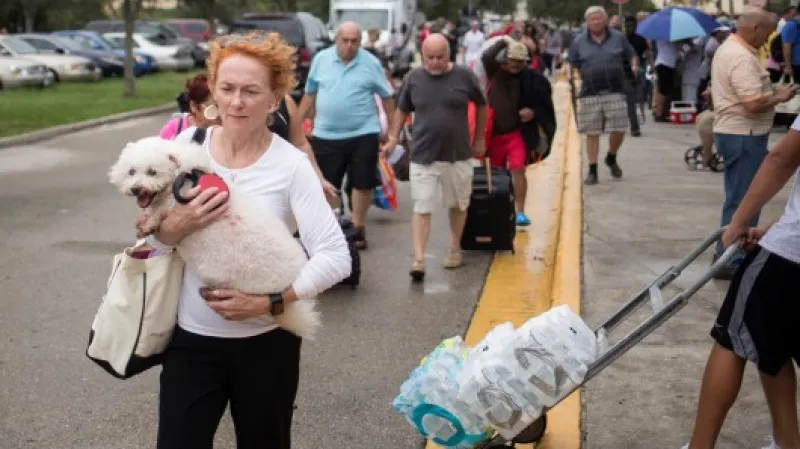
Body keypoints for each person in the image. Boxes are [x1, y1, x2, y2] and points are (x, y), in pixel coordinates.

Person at [143, 31, 352, 449]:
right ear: (213, 92)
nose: (237, 102)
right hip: (190, 343)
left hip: (266, 344)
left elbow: (335, 256)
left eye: (251, 91)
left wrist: (270, 301)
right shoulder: (187, 148)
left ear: (274, 99)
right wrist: (171, 229)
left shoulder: (291, 166)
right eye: (228, 89)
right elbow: (153, 243)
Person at [679, 115, 800, 449]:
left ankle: (700, 446)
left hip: (791, 257)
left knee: (732, 340)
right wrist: (775, 227)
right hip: (790, 242)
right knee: (771, 342)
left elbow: (780, 159)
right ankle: (788, 442)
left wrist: (739, 220)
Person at [382, 33, 487, 280]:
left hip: (458, 154)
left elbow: (482, 104)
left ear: (449, 55)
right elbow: (402, 109)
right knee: (422, 206)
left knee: (458, 204)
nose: (434, 62)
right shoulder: (414, 78)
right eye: (429, 57)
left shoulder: (464, 76)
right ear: (423, 55)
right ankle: (419, 258)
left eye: (440, 57)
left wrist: (480, 136)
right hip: (423, 154)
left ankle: (453, 246)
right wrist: (393, 137)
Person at [709, 6, 794, 279]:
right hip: (743, 134)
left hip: (737, 133)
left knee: (738, 196)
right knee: (745, 199)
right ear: (755, 28)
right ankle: (730, 259)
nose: (767, 39)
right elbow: (752, 103)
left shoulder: (732, 49)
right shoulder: (740, 57)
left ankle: (726, 253)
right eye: (767, 33)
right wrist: (779, 97)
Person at [298, 21, 395, 250]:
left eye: (354, 41)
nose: (349, 46)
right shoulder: (321, 59)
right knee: (328, 183)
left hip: (364, 131)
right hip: (326, 134)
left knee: (363, 181)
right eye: (345, 40)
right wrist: (298, 124)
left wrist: (392, 132)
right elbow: (310, 94)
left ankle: (358, 226)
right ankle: (335, 224)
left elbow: (388, 97)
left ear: (360, 42)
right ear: (337, 39)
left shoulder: (370, 63)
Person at [481, 36, 556, 226]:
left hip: (517, 133)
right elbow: (486, 56)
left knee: (518, 169)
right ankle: (497, 209)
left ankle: (520, 212)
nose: (515, 65)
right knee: (496, 173)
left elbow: (545, 105)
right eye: (512, 60)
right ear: (505, 59)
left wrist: (534, 112)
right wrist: (505, 41)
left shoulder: (534, 79)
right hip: (495, 134)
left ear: (525, 62)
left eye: (519, 61)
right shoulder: (495, 73)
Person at [566, 5, 638, 185]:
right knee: (592, 132)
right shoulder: (579, 41)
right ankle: (592, 170)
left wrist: (634, 65)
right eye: (592, 19)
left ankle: (611, 156)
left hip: (615, 90)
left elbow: (632, 54)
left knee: (620, 128)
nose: (596, 22)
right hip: (590, 92)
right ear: (587, 22)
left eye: (599, 18)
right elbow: (571, 62)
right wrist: (568, 71)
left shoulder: (618, 37)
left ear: (605, 20)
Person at [159, 73, 220, 140]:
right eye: (214, 107)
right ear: (193, 106)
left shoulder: (227, 129)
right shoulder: (173, 130)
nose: (220, 114)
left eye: (222, 106)